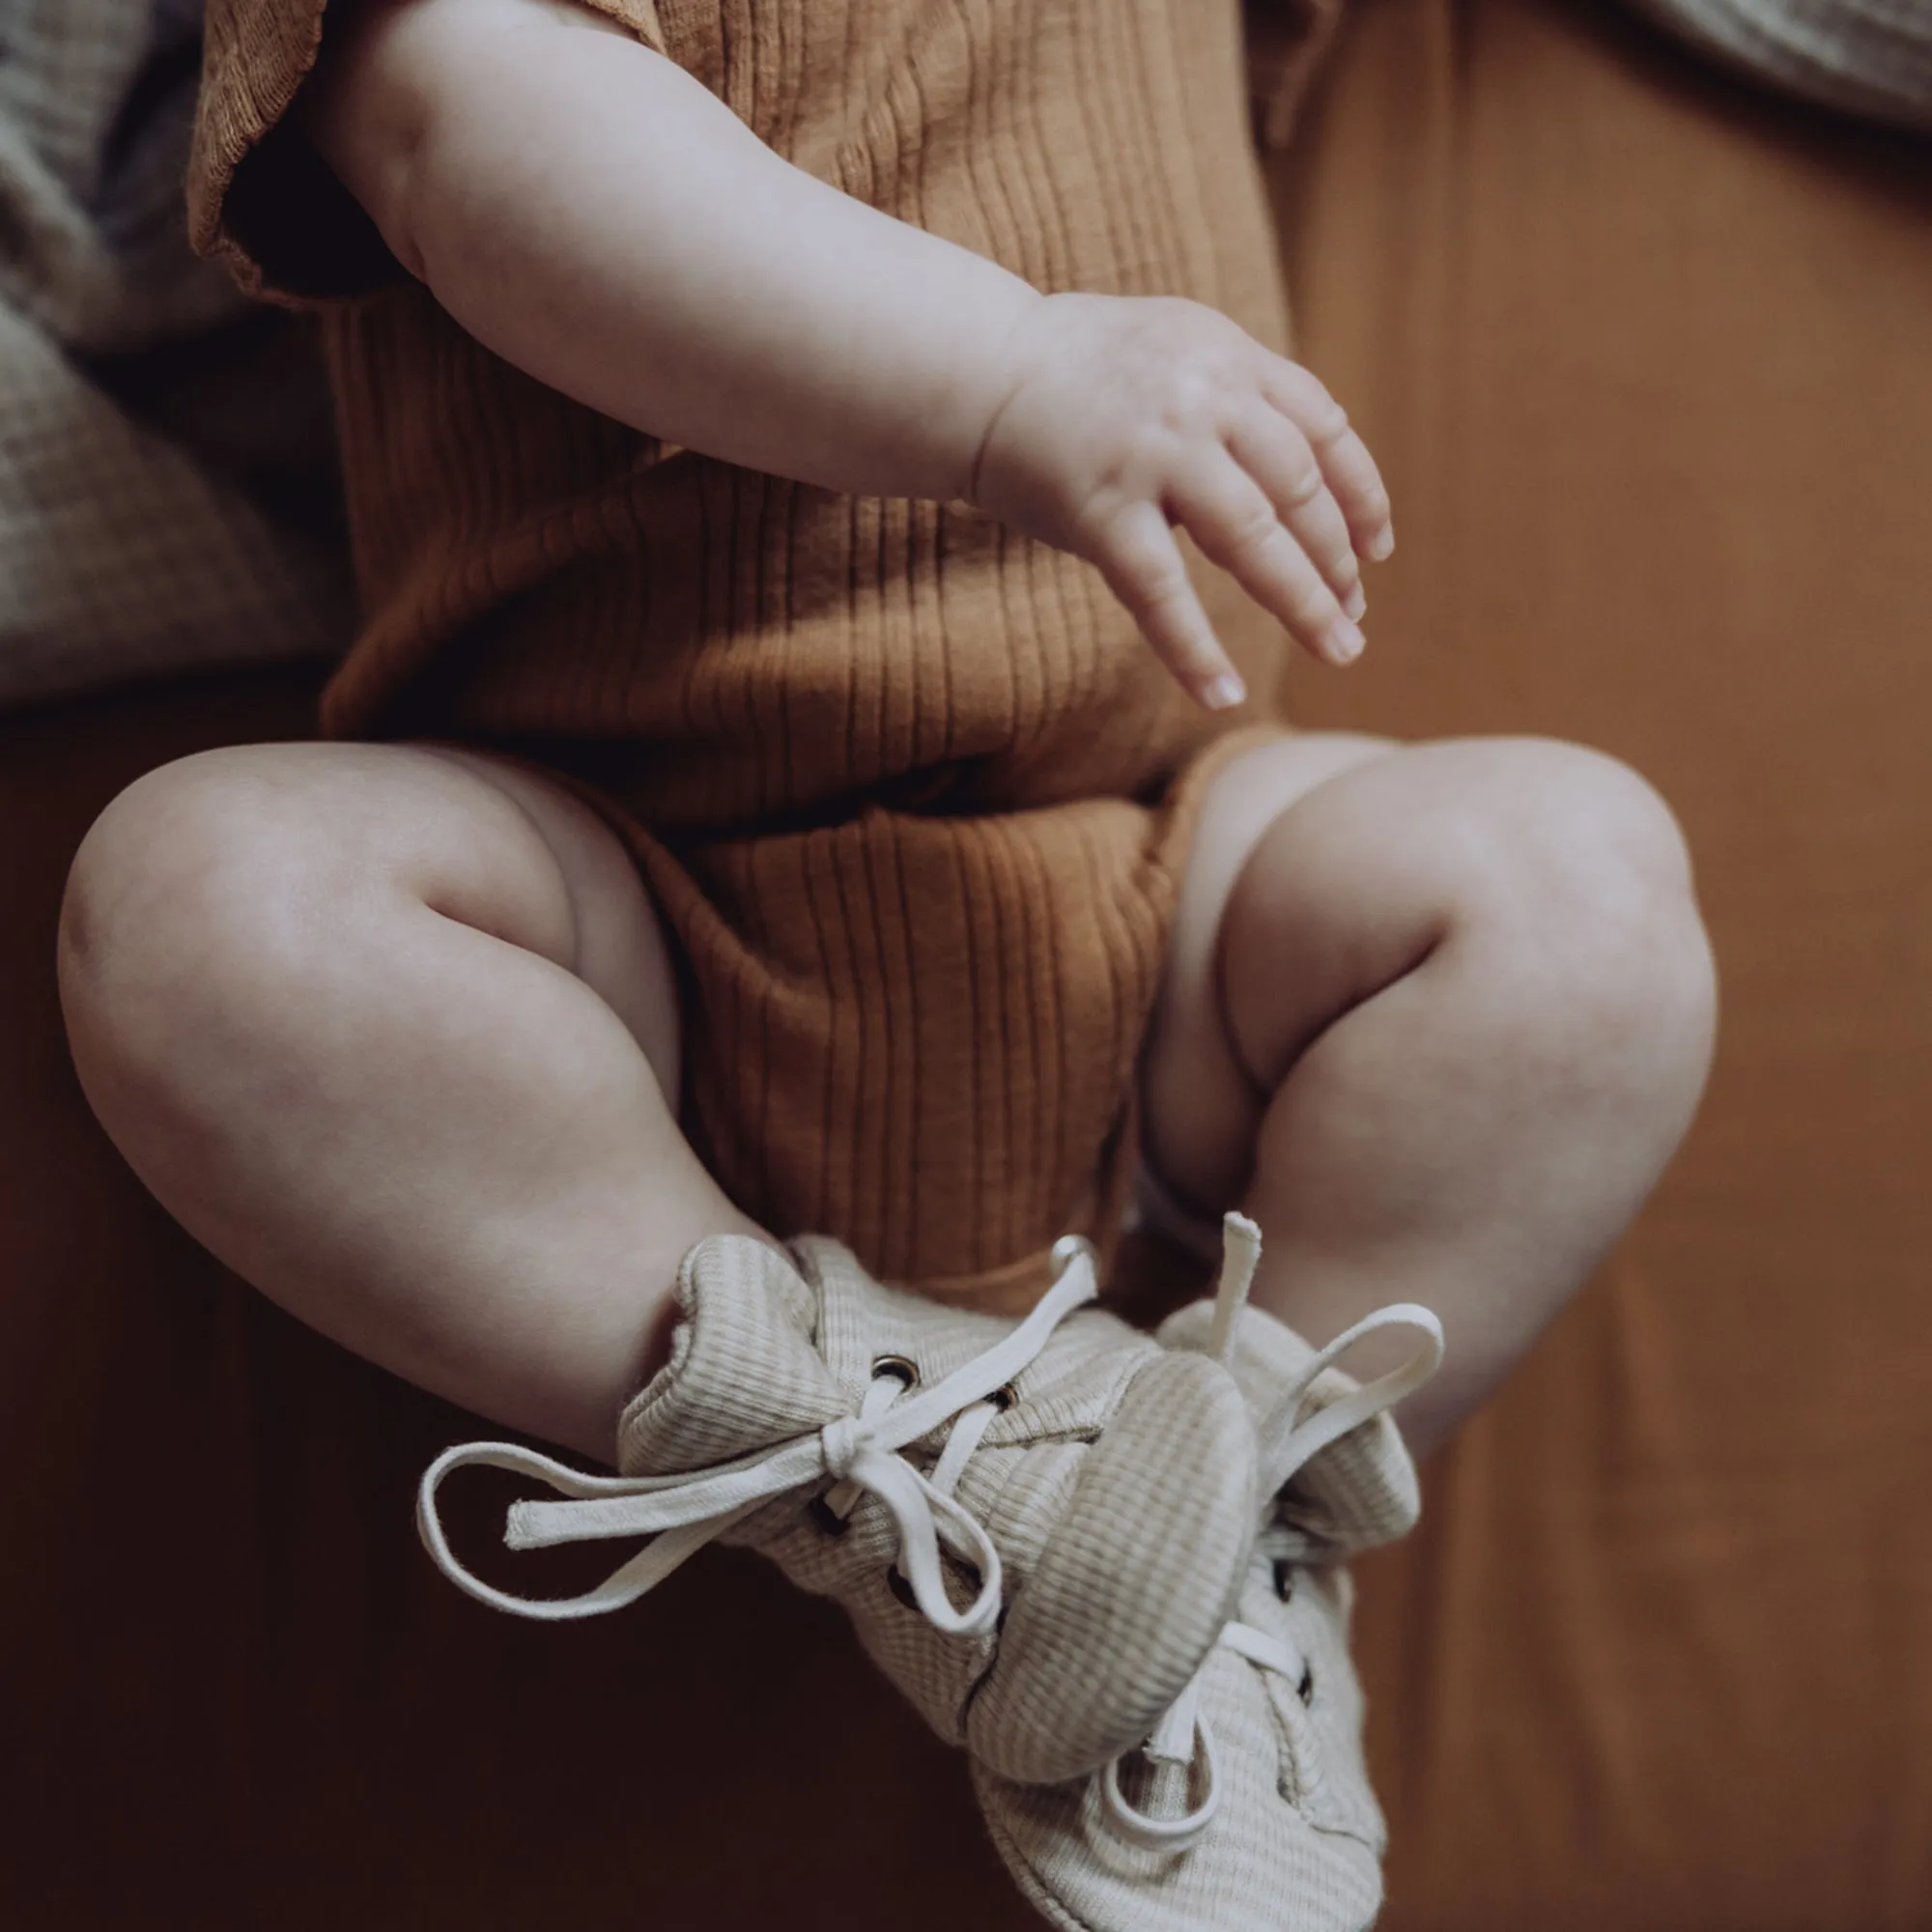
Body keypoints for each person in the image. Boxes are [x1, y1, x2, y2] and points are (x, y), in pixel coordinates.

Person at [55, 0, 1718, 1923]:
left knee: (1573, 888)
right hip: (611, 930)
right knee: (210, 908)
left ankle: (1226, 1508)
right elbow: (465, 140)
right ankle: (892, 1459)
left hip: (1167, 878)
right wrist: (1012, 380)